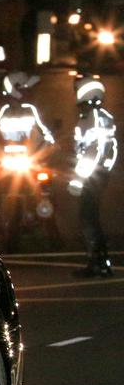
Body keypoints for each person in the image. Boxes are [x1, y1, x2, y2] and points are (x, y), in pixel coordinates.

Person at [69, 78, 118, 277]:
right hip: (97, 174)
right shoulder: (98, 116)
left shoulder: (95, 117)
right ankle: (99, 262)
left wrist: (78, 179)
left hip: (92, 176)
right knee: (91, 218)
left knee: (88, 219)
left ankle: (98, 263)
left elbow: (94, 151)